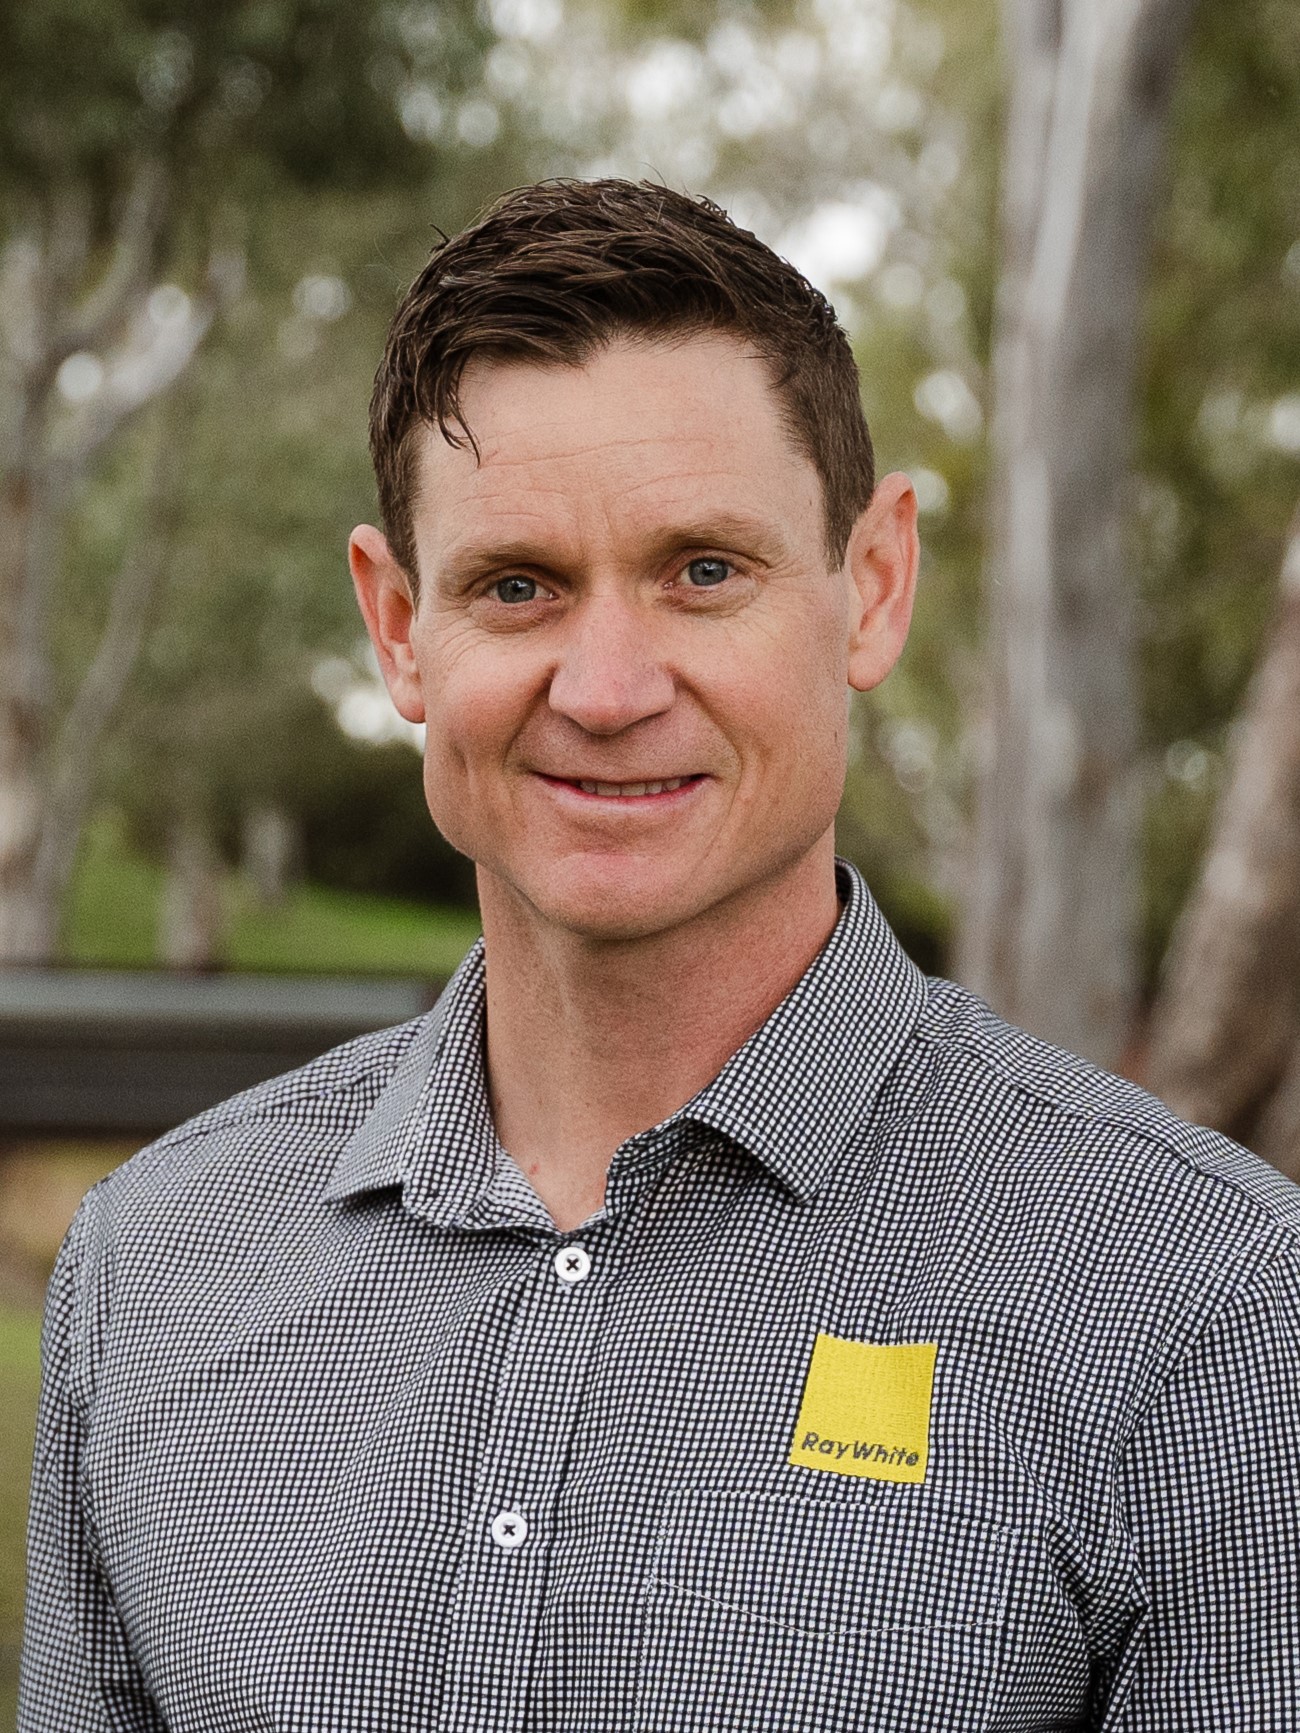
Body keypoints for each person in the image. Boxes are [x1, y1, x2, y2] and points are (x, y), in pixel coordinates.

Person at [19, 179, 1300, 1732]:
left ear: (873, 586)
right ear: (399, 625)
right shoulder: (152, 1268)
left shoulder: (1205, 1309)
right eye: (517, 585)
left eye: (703, 570)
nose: (609, 688)